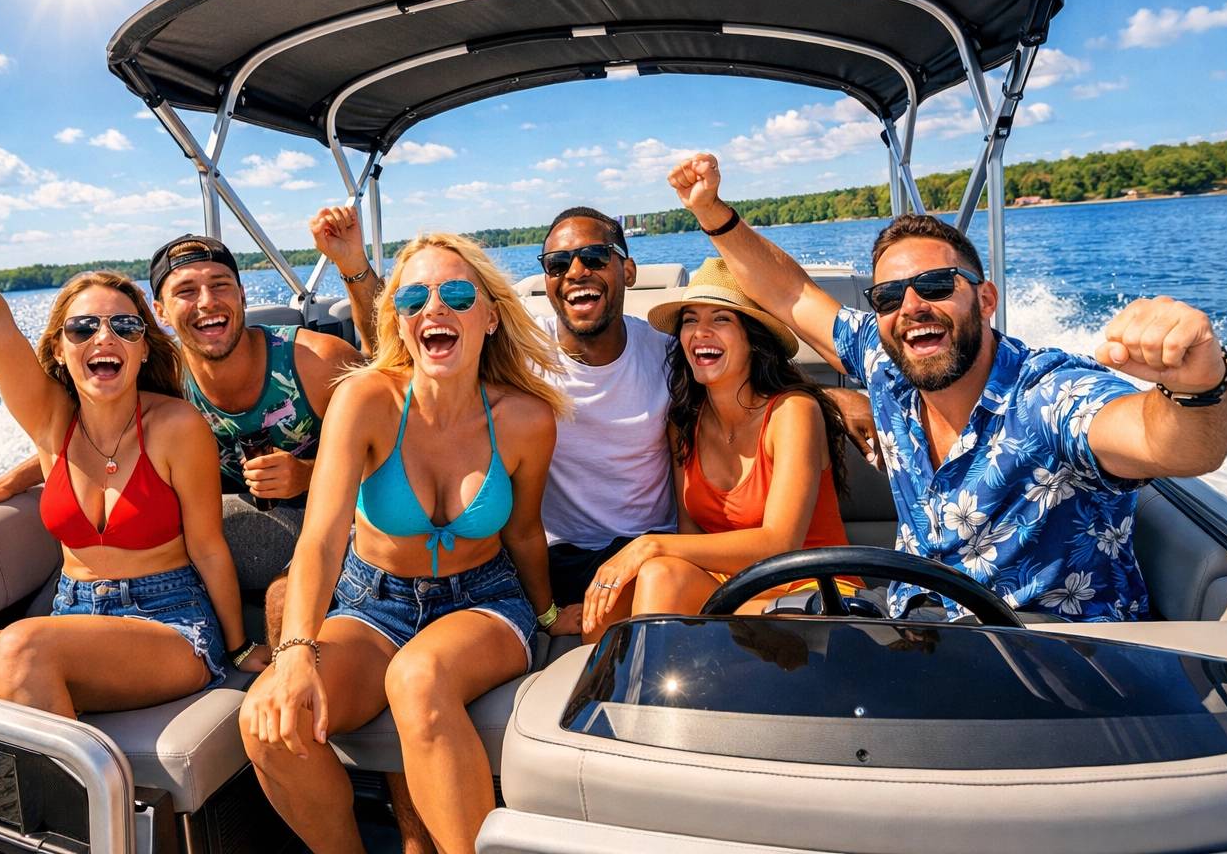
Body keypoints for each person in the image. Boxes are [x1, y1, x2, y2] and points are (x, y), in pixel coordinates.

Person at [667, 153, 1227, 622]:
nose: (912, 306)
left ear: (985, 299)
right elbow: (788, 293)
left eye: (937, 285)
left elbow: (1177, 446)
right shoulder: (888, 363)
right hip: (921, 641)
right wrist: (711, 212)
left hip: (1061, 664)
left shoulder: (1048, 397)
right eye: (889, 296)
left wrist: (1196, 385)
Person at [325, 206, 877, 636]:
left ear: (626, 270)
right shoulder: (519, 354)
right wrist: (354, 268)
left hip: (653, 548)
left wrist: (829, 399)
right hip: (561, 558)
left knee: (649, 593)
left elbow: (741, 380)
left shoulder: (671, 355)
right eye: (558, 264)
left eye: (594, 257)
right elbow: (413, 354)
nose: (576, 272)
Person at [0, 160, 268, 715]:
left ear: (144, 347)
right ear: (60, 348)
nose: (103, 337)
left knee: (23, 647)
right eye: (83, 327)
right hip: (71, 614)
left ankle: (71, 778)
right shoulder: (50, 425)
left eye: (125, 326)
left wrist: (239, 647)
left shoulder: (177, 426)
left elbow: (208, 547)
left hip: (171, 622)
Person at [240, 232, 572, 854]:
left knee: (419, 677)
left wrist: (550, 615)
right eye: (414, 298)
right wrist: (295, 653)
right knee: (268, 722)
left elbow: (525, 531)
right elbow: (321, 538)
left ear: (491, 317)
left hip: (483, 602)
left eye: (457, 295)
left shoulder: (526, 419)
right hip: (372, 605)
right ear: (398, 320)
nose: (434, 308)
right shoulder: (364, 399)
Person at [0, 215, 368, 642]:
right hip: (229, 532)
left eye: (220, 285)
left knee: (282, 600)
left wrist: (308, 473)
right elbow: (103, 436)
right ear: (161, 312)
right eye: (185, 291)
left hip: (336, 514)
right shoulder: (159, 380)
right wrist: (17, 478)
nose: (206, 301)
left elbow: (396, 431)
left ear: (243, 295)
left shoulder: (315, 361)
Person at [580, 258, 855, 633]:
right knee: (604, 615)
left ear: (753, 339)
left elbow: (780, 543)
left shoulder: (793, 412)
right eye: (690, 320)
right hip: (732, 592)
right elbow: (691, 536)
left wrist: (650, 546)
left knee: (657, 570)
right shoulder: (683, 424)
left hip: (809, 592)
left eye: (721, 319)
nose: (700, 332)